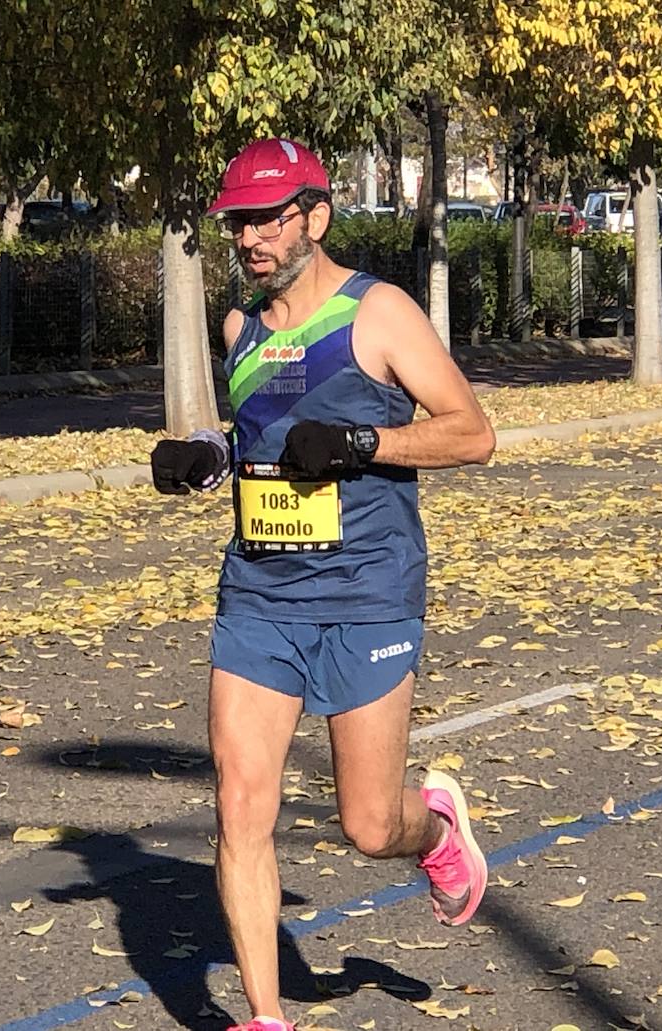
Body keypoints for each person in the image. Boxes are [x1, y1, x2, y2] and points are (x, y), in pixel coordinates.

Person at [150, 138, 496, 1031]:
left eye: (267, 218)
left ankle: (438, 829)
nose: (251, 238)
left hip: (367, 593)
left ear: (315, 216)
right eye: (238, 223)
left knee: (369, 823)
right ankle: (266, 1018)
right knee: (239, 802)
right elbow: (262, 444)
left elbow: (471, 433)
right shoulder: (241, 330)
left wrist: (362, 445)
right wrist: (208, 459)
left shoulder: (379, 313)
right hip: (261, 597)